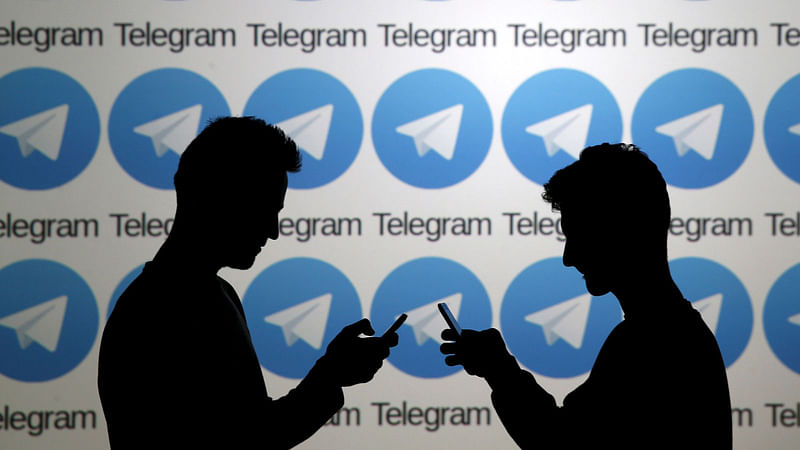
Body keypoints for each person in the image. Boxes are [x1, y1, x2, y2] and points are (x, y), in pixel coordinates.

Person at [98, 117, 398, 449]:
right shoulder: (169, 309)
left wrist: (330, 375)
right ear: (211, 196)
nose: (273, 231)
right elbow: (250, 439)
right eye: (262, 208)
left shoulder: (196, 296)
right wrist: (330, 376)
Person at [441, 143, 732, 448]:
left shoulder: (650, 342)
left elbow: (559, 443)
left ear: (622, 232)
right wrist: (499, 369)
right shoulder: (674, 333)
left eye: (578, 236)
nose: (568, 257)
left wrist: (499, 371)